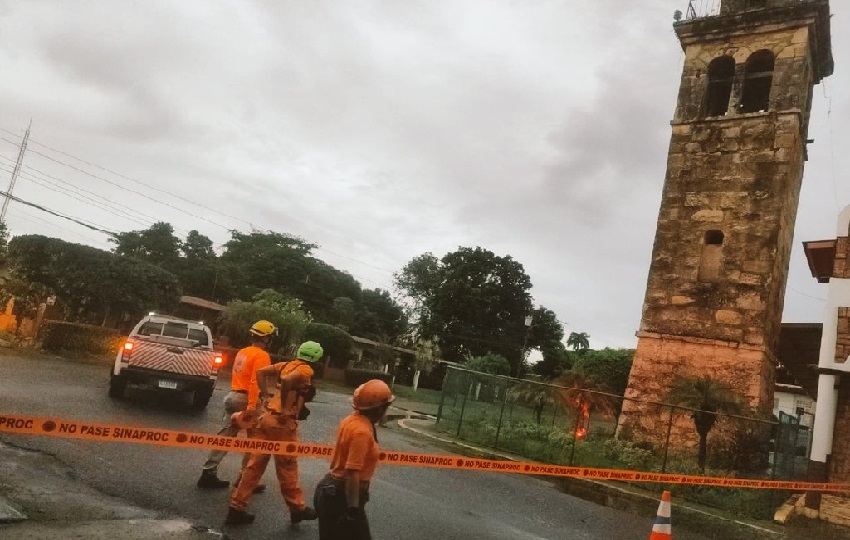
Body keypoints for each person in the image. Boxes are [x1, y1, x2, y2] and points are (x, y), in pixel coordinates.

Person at [226, 340, 324, 526]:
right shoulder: (306, 371)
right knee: (287, 467)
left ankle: (236, 508)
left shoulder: (286, 365)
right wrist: (287, 408)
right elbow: (287, 382)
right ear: (316, 357)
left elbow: (261, 372)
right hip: (282, 423)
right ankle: (297, 509)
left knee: (254, 466)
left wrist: (265, 395)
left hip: (266, 418)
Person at [196, 320, 277, 489]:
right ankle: (246, 480)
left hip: (233, 396)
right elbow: (255, 381)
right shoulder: (262, 356)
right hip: (247, 399)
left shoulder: (243, 352)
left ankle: (208, 472)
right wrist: (252, 407)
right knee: (254, 441)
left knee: (225, 437)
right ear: (266, 338)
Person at [313, 379, 395, 540]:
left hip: (330, 492)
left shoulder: (352, 420)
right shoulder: (362, 432)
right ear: (380, 409)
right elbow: (352, 472)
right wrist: (352, 511)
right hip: (341, 498)